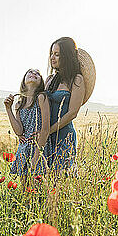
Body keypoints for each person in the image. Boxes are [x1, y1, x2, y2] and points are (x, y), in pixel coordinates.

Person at [43, 37, 85, 172]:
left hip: (64, 136)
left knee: (60, 178)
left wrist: (50, 130)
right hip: (46, 136)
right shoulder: (50, 80)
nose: (52, 58)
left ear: (66, 56)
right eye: (51, 54)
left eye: (57, 54)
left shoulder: (76, 79)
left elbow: (73, 112)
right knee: (44, 176)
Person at [4, 69, 50, 178]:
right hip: (23, 149)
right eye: (30, 72)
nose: (34, 74)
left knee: (37, 186)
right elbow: (19, 131)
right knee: (25, 189)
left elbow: (45, 129)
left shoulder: (41, 98)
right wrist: (8, 109)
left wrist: (36, 157)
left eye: (37, 74)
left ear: (41, 82)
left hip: (39, 148)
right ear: (24, 80)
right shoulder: (19, 104)